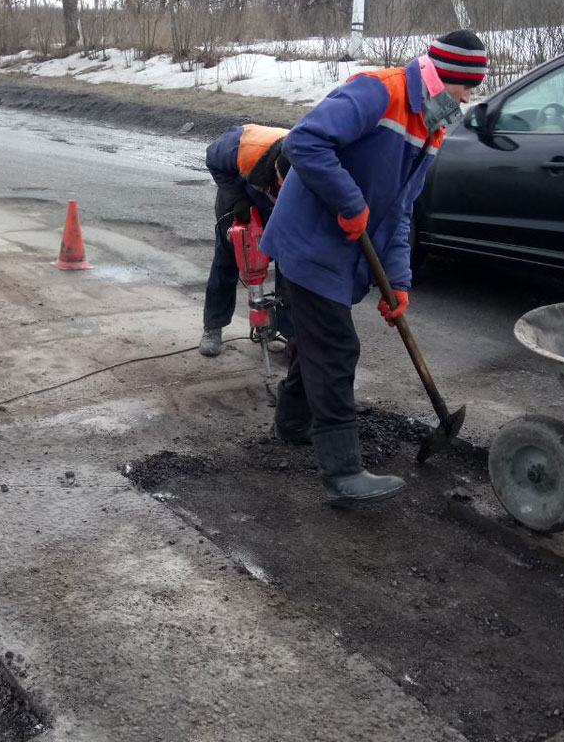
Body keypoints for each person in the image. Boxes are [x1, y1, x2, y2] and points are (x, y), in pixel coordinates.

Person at [260, 30, 487, 506]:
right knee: (337, 347)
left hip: (341, 253)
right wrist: (348, 200)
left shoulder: (433, 123)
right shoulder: (378, 90)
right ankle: (342, 474)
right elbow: (303, 142)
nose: (470, 98)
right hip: (308, 243)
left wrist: (398, 280)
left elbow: (402, 209)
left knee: (316, 342)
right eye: (468, 87)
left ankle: (292, 423)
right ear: (447, 78)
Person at [200, 124, 293, 357]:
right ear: (275, 171)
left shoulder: (311, 161)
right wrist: (237, 199)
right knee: (227, 260)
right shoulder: (242, 148)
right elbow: (213, 158)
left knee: (290, 268)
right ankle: (213, 326)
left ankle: (286, 331)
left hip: (281, 210)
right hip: (241, 200)